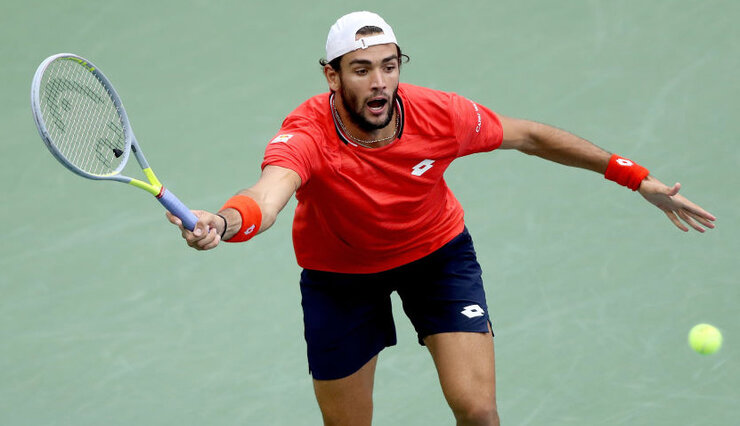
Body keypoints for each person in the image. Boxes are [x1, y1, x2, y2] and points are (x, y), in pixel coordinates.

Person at [167, 11, 716, 426]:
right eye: (361, 69)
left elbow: (529, 136)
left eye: (389, 66)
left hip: (436, 257)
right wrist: (224, 222)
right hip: (340, 278)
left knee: (478, 412)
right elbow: (267, 195)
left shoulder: (441, 114)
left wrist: (634, 176)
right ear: (332, 77)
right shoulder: (307, 134)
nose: (379, 82)